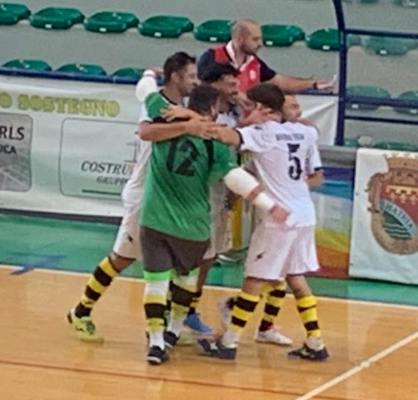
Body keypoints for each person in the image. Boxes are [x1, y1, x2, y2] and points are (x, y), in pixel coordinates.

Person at [66, 52, 212, 342]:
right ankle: (80, 311)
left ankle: (162, 326)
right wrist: (186, 126)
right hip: (145, 194)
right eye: (192, 76)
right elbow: (147, 133)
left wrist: (149, 73)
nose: (196, 82)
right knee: (122, 258)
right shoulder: (157, 105)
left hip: (167, 195)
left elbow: (143, 85)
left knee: (171, 264)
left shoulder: (178, 105)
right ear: (176, 77)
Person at [139, 84, 289, 365]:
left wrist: (151, 75)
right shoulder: (215, 142)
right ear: (211, 109)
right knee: (185, 283)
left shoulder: (165, 114)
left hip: (154, 217)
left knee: (155, 283)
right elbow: (235, 179)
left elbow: (145, 92)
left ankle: (156, 342)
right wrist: (269, 205)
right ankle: (173, 330)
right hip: (193, 225)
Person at [198, 83, 329, 362]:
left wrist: (193, 122)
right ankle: (316, 342)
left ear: (261, 108)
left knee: (255, 279)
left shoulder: (262, 133)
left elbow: (223, 135)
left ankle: (229, 343)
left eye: (249, 106)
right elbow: (308, 144)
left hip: (279, 218)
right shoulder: (305, 132)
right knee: (296, 277)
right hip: (305, 214)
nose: (246, 110)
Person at [197, 19, 334, 94]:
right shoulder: (211, 57)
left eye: (260, 39)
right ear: (239, 39)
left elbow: (280, 82)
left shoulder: (255, 63)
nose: (260, 44)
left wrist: (313, 84)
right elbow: (200, 88)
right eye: (255, 39)